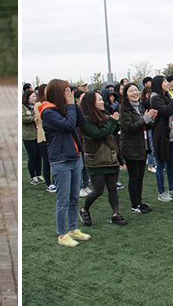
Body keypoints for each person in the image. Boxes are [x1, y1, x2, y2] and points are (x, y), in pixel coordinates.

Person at [39, 79, 91, 247]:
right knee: (63, 200)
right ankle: (62, 234)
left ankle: (73, 229)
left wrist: (73, 104)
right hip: (61, 159)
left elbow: (80, 122)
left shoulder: (64, 108)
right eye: (66, 90)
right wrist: (70, 105)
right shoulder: (48, 111)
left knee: (74, 197)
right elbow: (68, 125)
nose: (69, 93)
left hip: (74, 157)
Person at [78, 91, 127, 226]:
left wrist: (115, 122)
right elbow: (98, 134)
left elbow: (112, 129)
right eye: (99, 100)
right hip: (96, 160)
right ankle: (84, 209)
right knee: (98, 190)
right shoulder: (86, 120)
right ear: (90, 102)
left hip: (110, 157)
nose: (102, 102)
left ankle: (115, 214)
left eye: (102, 99)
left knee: (112, 187)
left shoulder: (104, 115)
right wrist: (112, 121)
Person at [119, 83, 157, 214]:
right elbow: (129, 128)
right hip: (130, 147)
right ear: (126, 95)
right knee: (134, 177)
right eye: (131, 91)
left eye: (136, 90)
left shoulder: (140, 106)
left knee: (140, 177)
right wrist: (145, 119)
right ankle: (135, 205)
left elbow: (147, 126)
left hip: (142, 146)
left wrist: (150, 118)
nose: (135, 93)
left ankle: (139, 202)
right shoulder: (124, 110)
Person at [150, 75, 173, 202]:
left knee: (171, 163)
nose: (167, 84)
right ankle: (162, 192)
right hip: (162, 135)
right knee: (161, 164)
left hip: (172, 134)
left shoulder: (168, 96)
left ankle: (172, 188)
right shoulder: (155, 98)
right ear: (158, 84)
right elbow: (166, 111)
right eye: (164, 82)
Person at [22, 90, 45, 186]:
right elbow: (23, 119)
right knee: (32, 156)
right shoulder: (22, 107)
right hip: (29, 136)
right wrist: (34, 118)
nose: (35, 98)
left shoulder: (35, 106)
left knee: (39, 156)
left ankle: (39, 174)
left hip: (37, 135)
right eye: (33, 96)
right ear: (27, 98)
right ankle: (33, 176)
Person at [35, 84, 55, 192]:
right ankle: (48, 183)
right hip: (43, 137)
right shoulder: (38, 104)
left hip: (52, 136)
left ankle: (55, 181)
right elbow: (42, 118)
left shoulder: (51, 104)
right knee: (46, 161)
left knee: (54, 160)